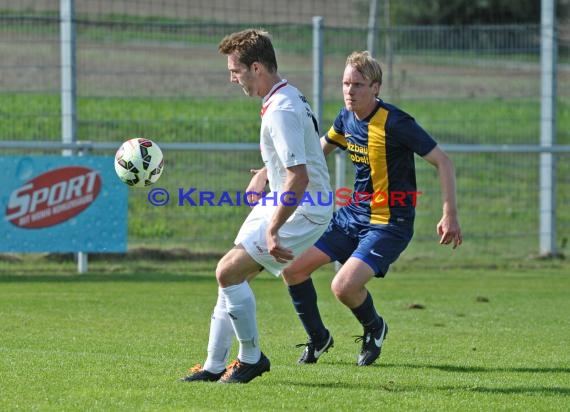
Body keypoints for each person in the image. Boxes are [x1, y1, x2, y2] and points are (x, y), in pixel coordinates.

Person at [281, 50, 463, 366]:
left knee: (343, 286)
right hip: (352, 216)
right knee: (292, 269)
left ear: (376, 87)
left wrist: (450, 213)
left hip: (390, 223)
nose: (350, 91)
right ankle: (318, 338)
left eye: (359, 85)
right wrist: (272, 173)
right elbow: (316, 153)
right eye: (346, 84)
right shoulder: (346, 118)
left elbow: (443, 162)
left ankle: (374, 328)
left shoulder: (397, 122)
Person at [180, 29, 333, 384]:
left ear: (258, 67)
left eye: (236, 71)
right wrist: (266, 172)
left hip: (304, 207)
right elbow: (301, 151)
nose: (233, 79)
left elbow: (300, 177)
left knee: (228, 272)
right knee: (231, 275)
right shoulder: (286, 94)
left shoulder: (281, 108)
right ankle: (213, 365)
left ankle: (251, 359)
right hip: (284, 196)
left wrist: (274, 227)